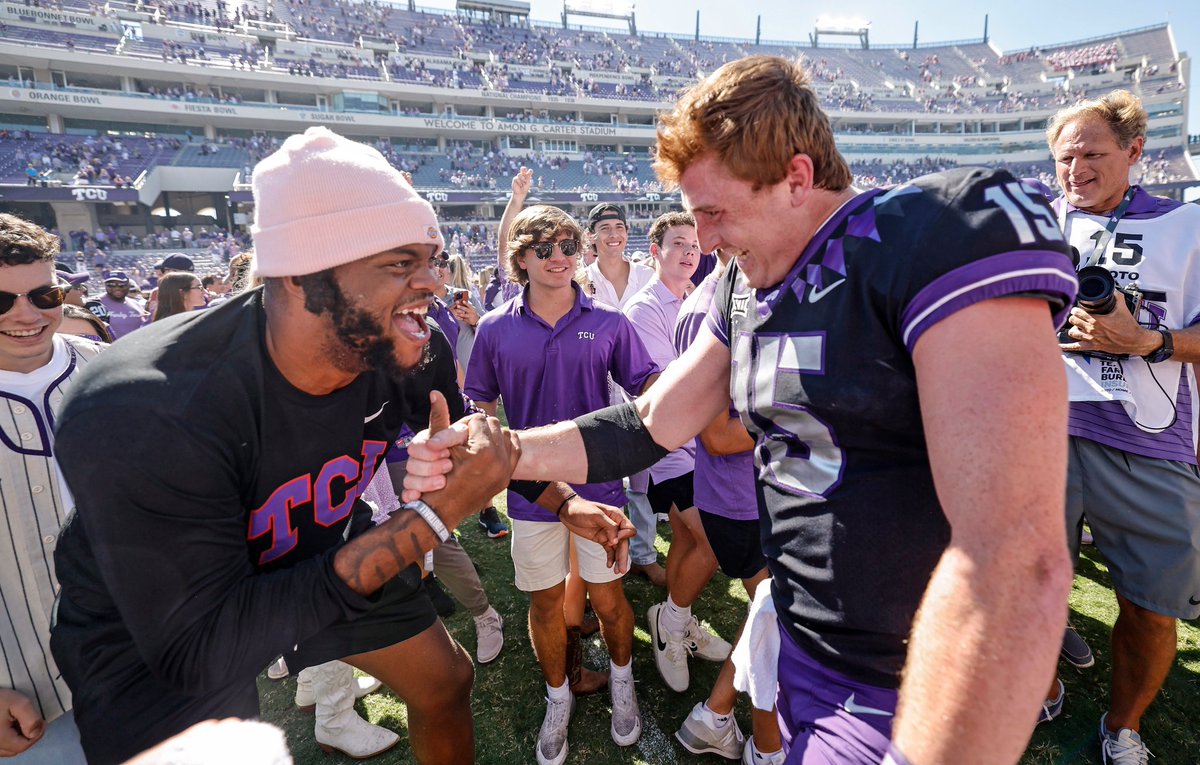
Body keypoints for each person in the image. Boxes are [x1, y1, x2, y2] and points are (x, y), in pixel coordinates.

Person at [405, 56, 1079, 765]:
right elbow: (646, 423)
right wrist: (508, 450)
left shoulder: (928, 233)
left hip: (902, 672)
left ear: (796, 176)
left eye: (717, 214)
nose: (709, 242)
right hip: (799, 636)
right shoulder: (742, 288)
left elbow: (1013, 555)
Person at [48, 127, 627, 765]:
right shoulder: (142, 403)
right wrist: (431, 518)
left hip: (318, 547)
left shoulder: (409, 346)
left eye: (431, 259)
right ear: (303, 277)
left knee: (444, 679)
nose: (432, 283)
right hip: (162, 623)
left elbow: (467, 436)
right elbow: (200, 648)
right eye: (399, 263)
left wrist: (564, 501)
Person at [464, 204, 652, 765]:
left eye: (569, 246)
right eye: (543, 248)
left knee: (609, 597)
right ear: (521, 257)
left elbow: (648, 392)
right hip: (529, 495)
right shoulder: (495, 328)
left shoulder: (613, 323)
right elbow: (483, 412)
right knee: (545, 602)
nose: (559, 258)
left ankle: (623, 682)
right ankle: (558, 696)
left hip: (602, 490)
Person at [1046, 89, 1200, 765]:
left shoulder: (1187, 227)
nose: (1075, 167)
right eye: (1063, 156)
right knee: (1031, 586)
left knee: (1149, 606)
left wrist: (1150, 342)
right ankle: (1042, 680)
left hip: (1148, 439)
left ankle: (1122, 724)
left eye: (1091, 153)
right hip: (1041, 434)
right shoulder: (1040, 222)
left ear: (1135, 152)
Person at [672, 247, 785, 764]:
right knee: (774, 623)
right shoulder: (712, 308)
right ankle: (755, 741)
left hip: (748, 494)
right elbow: (717, 435)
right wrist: (808, 407)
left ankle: (715, 717)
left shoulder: (745, 291)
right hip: (740, 499)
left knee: (770, 617)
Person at [0, 213, 100, 764]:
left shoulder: (124, 372)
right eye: (2, 300)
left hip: (150, 662)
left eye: (44, 293)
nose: (26, 314)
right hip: (23, 690)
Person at [622, 211, 730, 694]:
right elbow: (672, 387)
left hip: (702, 441)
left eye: (694, 244)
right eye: (678, 244)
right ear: (655, 252)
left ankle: (673, 619)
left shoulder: (696, 298)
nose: (690, 252)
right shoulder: (644, 309)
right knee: (716, 539)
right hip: (667, 445)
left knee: (689, 540)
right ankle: (673, 622)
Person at [98, 271, 147, 340]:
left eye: (121, 284)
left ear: (128, 285)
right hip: (109, 349)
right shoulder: (96, 303)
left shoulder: (136, 305)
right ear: (105, 286)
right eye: (111, 284)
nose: (116, 288)